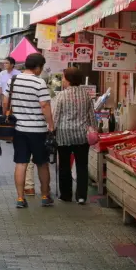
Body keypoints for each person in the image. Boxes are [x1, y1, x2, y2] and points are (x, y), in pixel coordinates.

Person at [2, 53, 55, 209]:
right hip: (38, 130)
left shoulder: (13, 81)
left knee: (21, 163)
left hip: (18, 129)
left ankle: (20, 198)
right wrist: (50, 124)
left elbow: (5, 102)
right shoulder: (39, 83)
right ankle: (45, 196)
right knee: (42, 163)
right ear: (38, 67)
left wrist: (9, 116)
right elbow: (45, 106)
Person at [52, 67, 97, 204]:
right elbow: (92, 118)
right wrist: (94, 130)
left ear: (69, 80)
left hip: (64, 135)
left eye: (64, 77)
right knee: (82, 165)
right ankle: (81, 196)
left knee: (64, 165)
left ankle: (65, 195)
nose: (63, 80)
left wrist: (51, 130)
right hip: (82, 136)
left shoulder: (61, 95)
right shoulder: (86, 96)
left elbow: (55, 117)